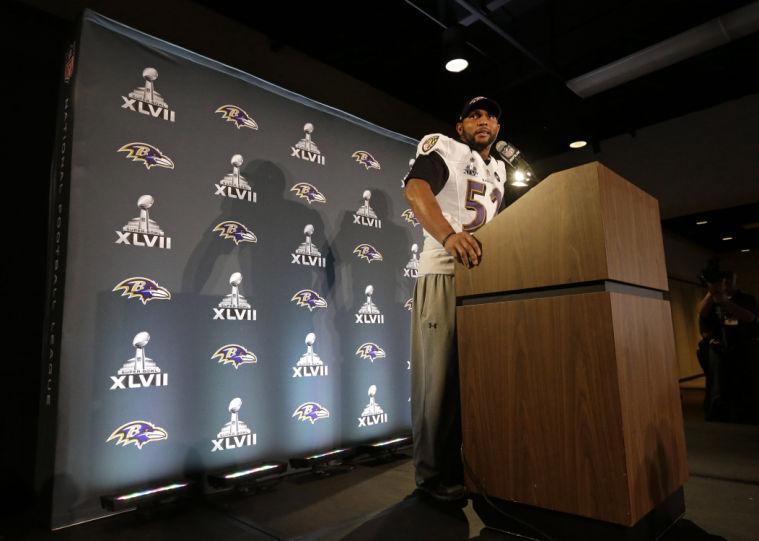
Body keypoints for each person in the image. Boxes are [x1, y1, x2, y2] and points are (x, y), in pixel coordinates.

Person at [403, 96, 507, 501]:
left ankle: (465, 466)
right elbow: (415, 189)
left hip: (486, 282)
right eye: (474, 115)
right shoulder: (443, 146)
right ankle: (431, 478)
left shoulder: (499, 169)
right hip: (444, 275)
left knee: (474, 383)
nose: (484, 121)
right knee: (439, 382)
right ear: (460, 125)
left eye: (491, 116)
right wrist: (448, 236)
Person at [696, 263, 758, 423]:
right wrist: (712, 293)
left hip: (743, 348)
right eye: (724, 281)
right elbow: (702, 313)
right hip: (718, 348)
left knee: (745, 383)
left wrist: (726, 303)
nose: (727, 284)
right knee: (717, 385)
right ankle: (716, 416)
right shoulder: (712, 299)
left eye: (730, 281)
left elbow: (750, 317)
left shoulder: (746, 299)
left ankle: (745, 416)